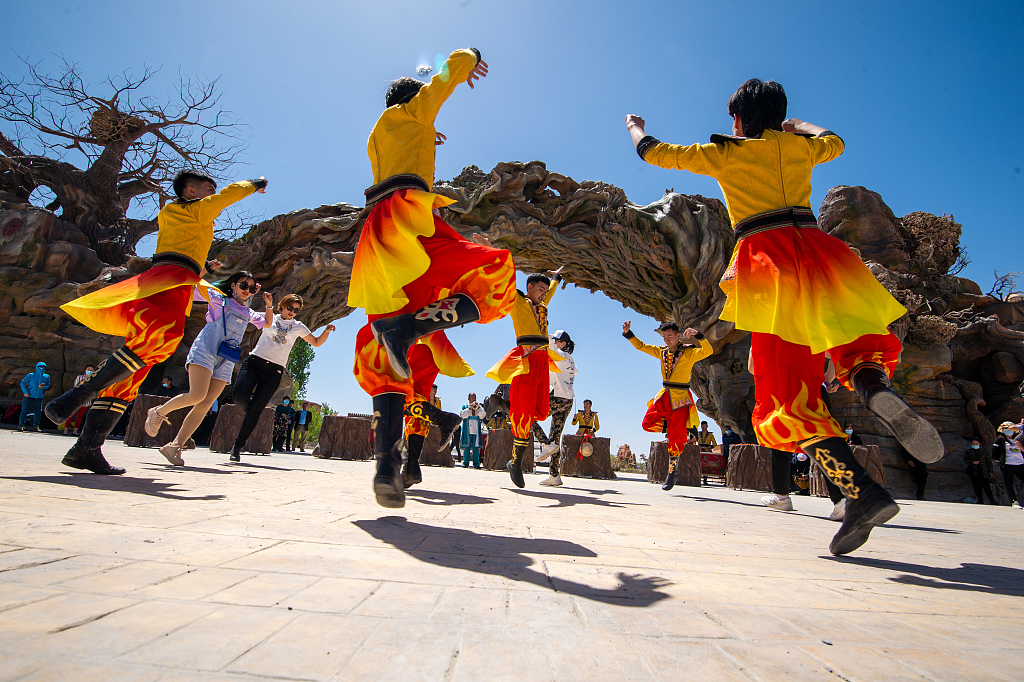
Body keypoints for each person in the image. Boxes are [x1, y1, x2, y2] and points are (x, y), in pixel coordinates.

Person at [625, 79, 944, 555]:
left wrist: (635, 128)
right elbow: (834, 142)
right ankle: (874, 388)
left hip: (768, 262)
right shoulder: (799, 148)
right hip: (819, 249)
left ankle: (861, 492)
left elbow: (654, 153)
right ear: (780, 115)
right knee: (854, 339)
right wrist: (801, 127)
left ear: (737, 120)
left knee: (782, 398)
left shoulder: (727, 152)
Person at [350, 47, 515, 509]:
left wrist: (425, 133)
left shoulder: (378, 135)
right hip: (410, 221)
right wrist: (471, 56)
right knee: (493, 270)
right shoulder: (410, 111)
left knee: (383, 355)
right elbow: (443, 80)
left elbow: (403, 141)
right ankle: (408, 328)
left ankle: (386, 470)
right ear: (410, 100)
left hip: (377, 237)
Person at [45, 170, 267, 475]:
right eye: (207, 189)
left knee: (132, 377)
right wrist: (255, 184)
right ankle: (77, 395)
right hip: (171, 281)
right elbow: (227, 196)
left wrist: (202, 268)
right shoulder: (196, 210)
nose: (212, 194)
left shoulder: (173, 214)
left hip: (167, 278)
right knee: (164, 337)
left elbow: (182, 246)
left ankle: (86, 449)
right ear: (190, 191)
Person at [145, 271, 269, 465]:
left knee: (204, 405)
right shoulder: (218, 299)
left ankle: (174, 446)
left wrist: (268, 305)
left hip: (226, 358)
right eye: (243, 286)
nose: (247, 290)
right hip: (206, 350)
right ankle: (158, 412)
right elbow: (189, 288)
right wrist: (204, 272)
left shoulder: (248, 312)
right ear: (233, 285)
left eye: (251, 288)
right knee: (196, 395)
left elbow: (267, 323)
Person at [230, 294, 335, 462]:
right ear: (283, 306)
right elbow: (260, 319)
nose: (292, 312)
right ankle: (249, 413)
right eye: (290, 308)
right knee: (239, 397)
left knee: (255, 410)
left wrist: (326, 331)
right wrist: (268, 305)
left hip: (274, 371)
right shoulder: (271, 317)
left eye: (296, 310)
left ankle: (237, 447)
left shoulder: (298, 326)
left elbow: (315, 342)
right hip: (255, 362)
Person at [487, 271, 565, 488]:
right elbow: (504, 280)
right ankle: (516, 463)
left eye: (545, 291)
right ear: (529, 287)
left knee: (540, 410)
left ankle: (502, 404)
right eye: (540, 290)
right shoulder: (518, 301)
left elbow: (550, 294)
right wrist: (494, 253)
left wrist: (556, 279)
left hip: (543, 360)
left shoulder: (542, 304)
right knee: (523, 415)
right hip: (526, 358)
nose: (543, 294)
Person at [624, 321, 712, 491]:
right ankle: (677, 427)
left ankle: (672, 473)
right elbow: (641, 346)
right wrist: (629, 334)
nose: (667, 340)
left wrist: (699, 336)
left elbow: (708, 351)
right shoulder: (661, 351)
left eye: (670, 336)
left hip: (680, 399)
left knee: (675, 442)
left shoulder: (688, 352)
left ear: (678, 336)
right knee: (647, 423)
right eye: (664, 337)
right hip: (664, 396)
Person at [535, 330, 578, 487]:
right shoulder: (571, 359)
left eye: (557, 340)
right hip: (568, 401)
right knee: (556, 436)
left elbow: (548, 342)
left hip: (557, 397)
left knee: (529, 416)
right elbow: (576, 371)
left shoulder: (559, 354)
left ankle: (545, 444)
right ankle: (554, 476)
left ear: (562, 343)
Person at [994, 421, 1024, 508]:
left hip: (1020, 464)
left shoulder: (1019, 439)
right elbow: (995, 451)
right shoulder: (1000, 440)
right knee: (1009, 483)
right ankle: (1014, 501)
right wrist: (998, 460)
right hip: (1007, 464)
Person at [19, 362, 50, 432]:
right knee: (24, 411)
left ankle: (36, 426)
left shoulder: (46, 376)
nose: (41, 368)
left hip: (38, 397)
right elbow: (22, 383)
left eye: (43, 367)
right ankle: (21, 425)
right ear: (36, 367)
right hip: (29, 395)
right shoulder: (31, 375)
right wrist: (25, 392)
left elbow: (48, 385)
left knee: (38, 412)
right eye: (40, 367)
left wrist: (43, 387)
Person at [63, 365, 95, 435]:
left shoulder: (93, 379)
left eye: (91, 370)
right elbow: (76, 387)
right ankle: (65, 430)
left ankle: (75, 431)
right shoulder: (80, 377)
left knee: (80, 417)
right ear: (85, 370)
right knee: (71, 414)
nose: (90, 371)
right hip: (77, 399)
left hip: (86, 400)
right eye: (88, 369)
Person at [965, 438, 996, 505]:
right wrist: (973, 462)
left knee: (987, 486)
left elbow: (989, 462)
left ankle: (992, 500)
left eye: (976, 444)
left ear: (979, 444)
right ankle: (980, 500)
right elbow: (966, 460)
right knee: (977, 486)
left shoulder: (984, 452)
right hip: (974, 472)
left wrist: (990, 471)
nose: (974, 445)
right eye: (973, 444)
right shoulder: (969, 452)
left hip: (984, 471)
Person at [460, 394, 486, 468]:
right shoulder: (465, 406)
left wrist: (478, 408)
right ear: (468, 398)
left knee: (476, 447)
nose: (473, 398)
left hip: (476, 429)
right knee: (466, 446)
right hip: (467, 429)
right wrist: (469, 408)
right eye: (472, 397)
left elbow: (483, 415)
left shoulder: (479, 407)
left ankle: (476, 464)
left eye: (475, 397)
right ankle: (465, 463)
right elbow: (462, 415)